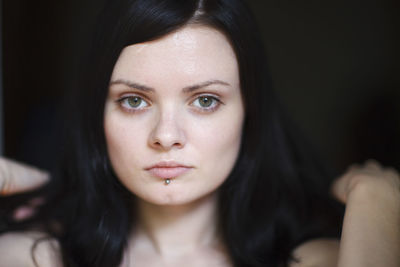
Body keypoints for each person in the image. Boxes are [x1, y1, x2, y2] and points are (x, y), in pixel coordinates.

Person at [1, 0, 399, 266]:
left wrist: (376, 202)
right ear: (96, 116)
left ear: (250, 113)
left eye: (205, 100)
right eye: (134, 101)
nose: (166, 136)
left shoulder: (328, 260)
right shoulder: (29, 259)